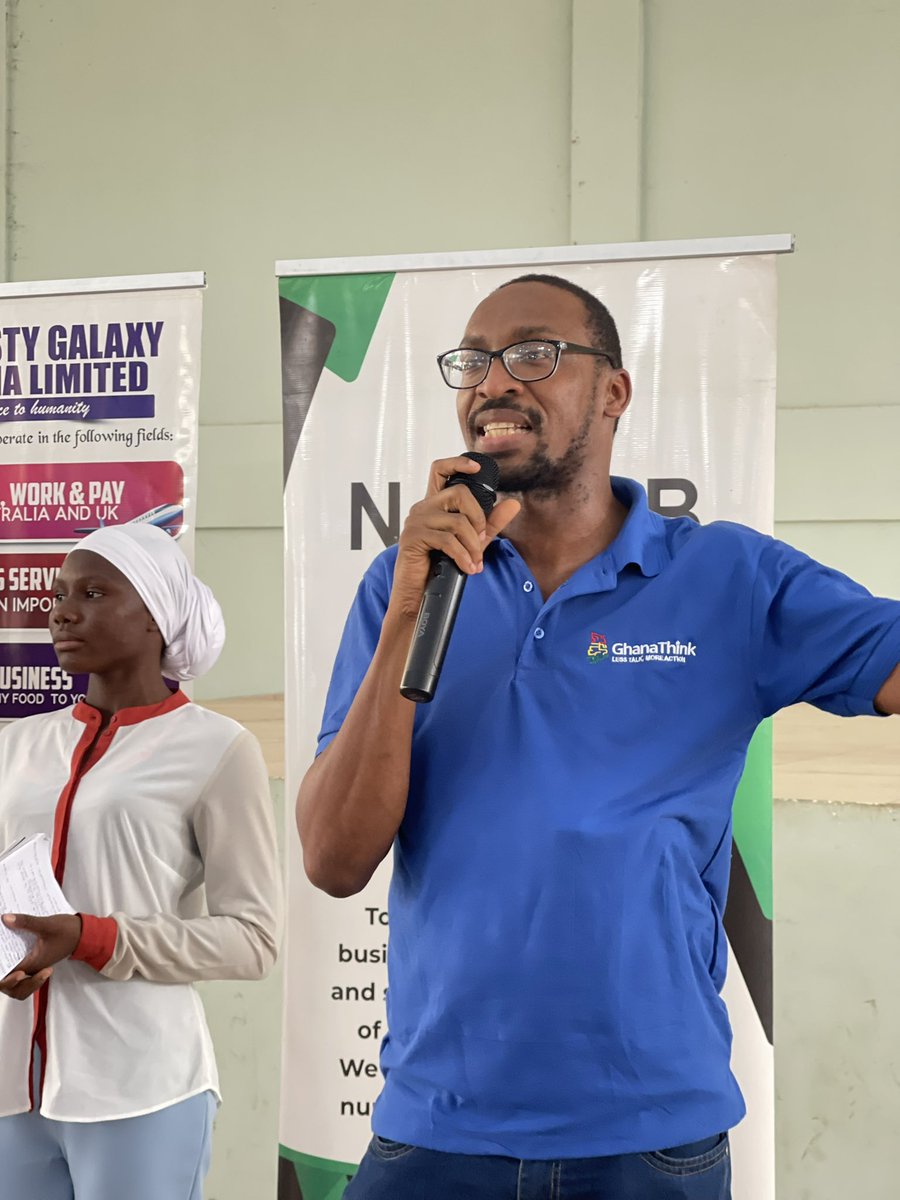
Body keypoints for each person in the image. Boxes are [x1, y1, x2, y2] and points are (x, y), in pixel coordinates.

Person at [297, 273, 900, 1200]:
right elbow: (335, 858)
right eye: (474, 362)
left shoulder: (725, 576)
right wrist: (414, 605)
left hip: (651, 1142)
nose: (494, 381)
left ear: (612, 392)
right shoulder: (401, 587)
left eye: (534, 353)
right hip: (434, 1134)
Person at [0, 523, 282, 1200]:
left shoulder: (217, 749)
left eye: (94, 593)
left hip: (139, 1088)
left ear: (157, 618)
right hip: (12, 1087)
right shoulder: (17, 746)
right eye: (60, 593)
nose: (63, 611)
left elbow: (254, 940)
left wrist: (94, 938)